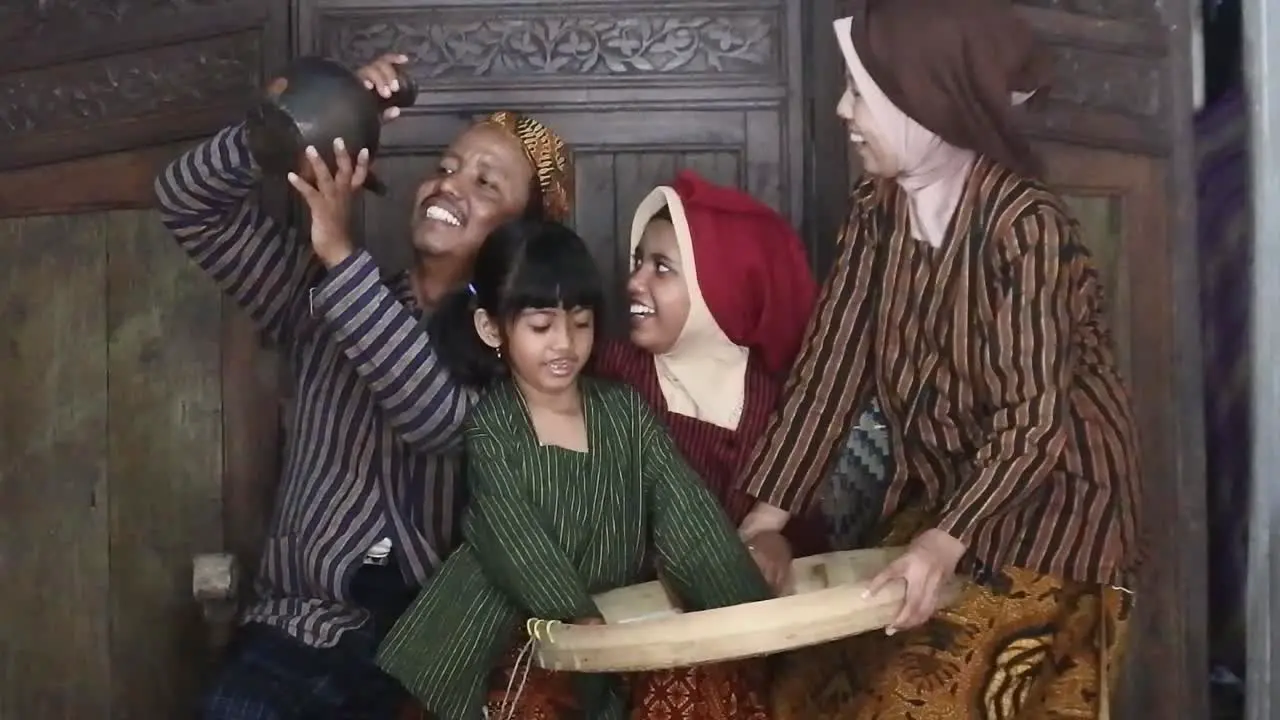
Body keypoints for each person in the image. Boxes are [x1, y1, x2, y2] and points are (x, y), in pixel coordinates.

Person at [734, 1, 1143, 718]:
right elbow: (831, 369)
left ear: (926, 102)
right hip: (945, 509)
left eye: (860, 91)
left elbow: (1034, 422)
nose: (843, 109)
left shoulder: (1027, 228)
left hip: (1053, 524)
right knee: (798, 691)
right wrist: (765, 519)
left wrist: (940, 546)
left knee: (909, 699)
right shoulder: (877, 211)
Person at [154, 51, 575, 719]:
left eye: (486, 183)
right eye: (444, 168)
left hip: (429, 655)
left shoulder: (522, 352)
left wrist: (341, 256)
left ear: (522, 233)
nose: (448, 185)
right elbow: (185, 199)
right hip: (297, 632)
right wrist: (321, 113)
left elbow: (437, 421)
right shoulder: (315, 297)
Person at [374, 219, 773, 720]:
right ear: (491, 328)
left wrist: (750, 611)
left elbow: (684, 511)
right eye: (541, 326)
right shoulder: (494, 426)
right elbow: (513, 535)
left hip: (604, 628)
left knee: (709, 682)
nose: (564, 343)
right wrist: (574, 615)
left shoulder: (623, 412)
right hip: (503, 635)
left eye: (580, 322)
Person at [588, 171, 820, 718]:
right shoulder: (613, 377)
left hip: (745, 639)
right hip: (629, 628)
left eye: (661, 268)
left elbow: (810, 536)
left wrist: (779, 548)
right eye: (637, 262)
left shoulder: (781, 408)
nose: (633, 283)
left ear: (724, 287)